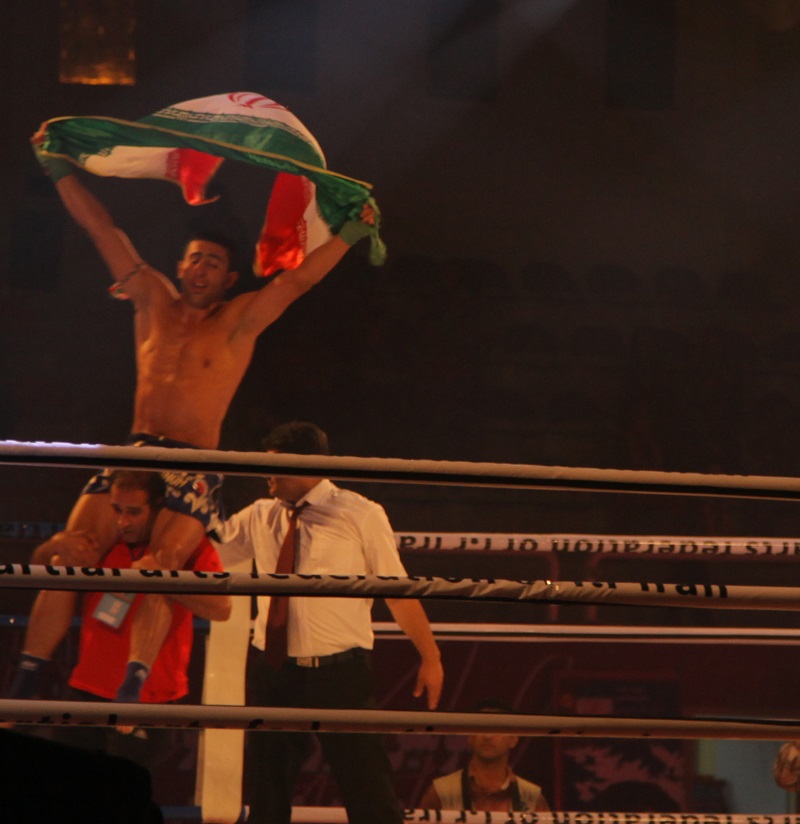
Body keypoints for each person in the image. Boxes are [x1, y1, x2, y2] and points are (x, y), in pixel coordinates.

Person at [17, 134, 375, 702]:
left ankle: (135, 686)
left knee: (163, 565)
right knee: (70, 550)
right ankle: (26, 679)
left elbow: (297, 281)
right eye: (195, 258)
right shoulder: (150, 299)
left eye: (214, 261)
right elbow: (104, 231)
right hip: (137, 449)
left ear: (229, 278)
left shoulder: (238, 322)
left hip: (192, 459)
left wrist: (351, 233)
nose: (202, 267)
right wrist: (58, 170)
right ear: (180, 266)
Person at [215, 421, 444, 824]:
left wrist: (431, 656)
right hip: (274, 670)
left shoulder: (360, 514)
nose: (265, 474)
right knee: (267, 793)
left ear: (305, 465)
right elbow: (208, 554)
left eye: (274, 465)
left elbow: (397, 591)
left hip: (341, 674)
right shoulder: (259, 515)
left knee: (369, 790)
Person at [9, 471, 231, 731]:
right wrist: (53, 546)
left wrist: (165, 579)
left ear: (157, 507)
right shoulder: (102, 539)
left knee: (160, 573)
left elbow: (222, 609)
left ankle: (133, 683)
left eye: (134, 512)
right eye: (117, 510)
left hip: (152, 699)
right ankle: (25, 681)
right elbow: (41, 575)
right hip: (86, 688)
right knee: (63, 562)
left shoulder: (190, 547)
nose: (123, 521)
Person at [419, 699, 550, 813]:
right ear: (470, 736)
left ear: (514, 739)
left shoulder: (532, 797)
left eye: (497, 728)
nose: (488, 736)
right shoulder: (441, 792)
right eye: (481, 727)